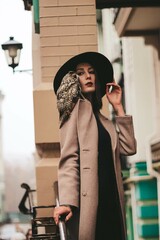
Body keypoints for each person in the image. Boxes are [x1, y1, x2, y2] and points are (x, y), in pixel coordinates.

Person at [53, 52, 136, 240]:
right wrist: (66, 201)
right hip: (90, 202)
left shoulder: (105, 122)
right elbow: (69, 159)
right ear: (74, 81)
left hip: (112, 199)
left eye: (91, 72)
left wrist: (118, 108)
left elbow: (129, 148)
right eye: (81, 73)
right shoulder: (73, 114)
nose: (88, 76)